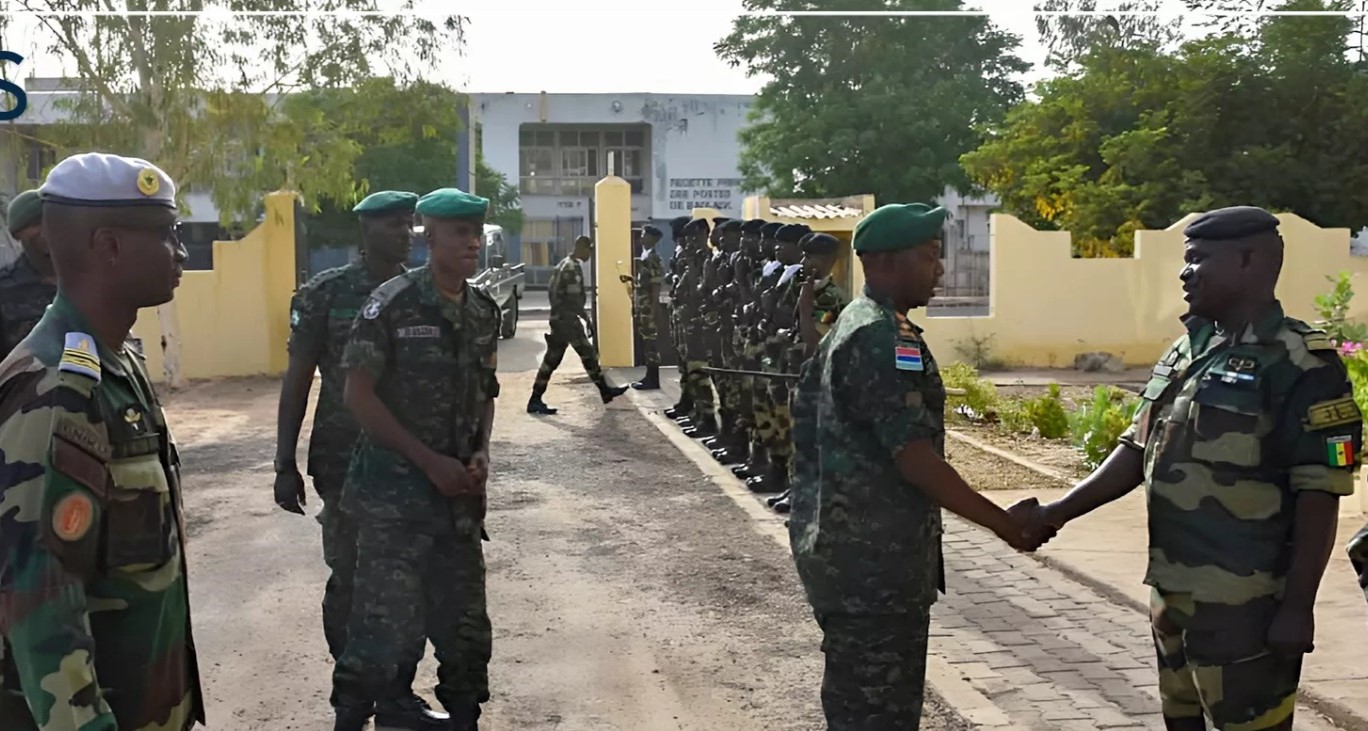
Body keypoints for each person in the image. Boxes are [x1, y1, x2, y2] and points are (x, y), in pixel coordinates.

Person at [1024, 206, 1361, 731]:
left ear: (1248, 260)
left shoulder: (1302, 362)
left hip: (1246, 610)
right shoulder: (1188, 348)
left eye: (1199, 260)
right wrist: (1054, 512)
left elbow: (1321, 492)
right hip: (1173, 595)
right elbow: (1135, 451)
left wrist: (1299, 606)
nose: (1185, 273)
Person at [787, 202, 1044, 730]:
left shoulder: (867, 324)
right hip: (872, 572)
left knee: (873, 710)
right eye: (929, 257)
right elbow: (914, 458)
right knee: (875, 715)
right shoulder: (878, 335)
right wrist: (1004, 523)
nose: (941, 269)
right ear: (884, 262)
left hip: (866, 563)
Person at [0, 152, 204, 730]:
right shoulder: (55, 388)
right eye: (167, 235)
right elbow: (40, 599)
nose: (181, 251)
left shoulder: (116, 362)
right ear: (109, 246)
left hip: (149, 705)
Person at [274, 190, 447, 730]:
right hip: (342, 459)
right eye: (394, 224)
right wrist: (284, 460)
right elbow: (298, 377)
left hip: (411, 460)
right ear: (365, 230)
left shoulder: (425, 293)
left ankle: (397, 694)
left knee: (410, 577)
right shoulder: (325, 294)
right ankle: (353, 695)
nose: (406, 233)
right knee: (351, 578)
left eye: (409, 225)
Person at [331, 187, 500, 731]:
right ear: (430, 236)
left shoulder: (482, 311)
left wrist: (480, 454)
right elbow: (357, 395)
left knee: (466, 632)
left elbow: (485, 393)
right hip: (393, 502)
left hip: (458, 506)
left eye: (476, 232)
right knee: (381, 634)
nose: (472, 242)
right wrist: (429, 462)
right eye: (460, 232)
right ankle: (352, 720)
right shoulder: (392, 302)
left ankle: (464, 719)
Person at [769, 232, 852, 514]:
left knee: (810, 441)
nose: (804, 262)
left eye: (811, 257)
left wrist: (805, 308)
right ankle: (796, 488)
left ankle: (808, 499)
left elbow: (815, 339)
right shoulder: (804, 286)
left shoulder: (831, 298)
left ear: (828, 260)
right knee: (797, 435)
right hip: (797, 373)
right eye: (803, 256)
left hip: (817, 379)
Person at [528, 235, 628, 414]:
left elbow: (552, 291)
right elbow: (573, 299)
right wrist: (586, 318)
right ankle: (535, 399)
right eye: (589, 250)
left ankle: (604, 391)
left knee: (560, 359)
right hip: (567, 321)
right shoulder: (572, 268)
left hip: (561, 319)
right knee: (581, 355)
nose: (590, 254)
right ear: (582, 248)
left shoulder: (562, 264)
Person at [0, 189, 57, 359]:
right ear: (17, 233)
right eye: (34, 224)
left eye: (51, 221)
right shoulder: (5, 289)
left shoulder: (89, 281)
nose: (45, 230)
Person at [621, 224, 665, 390]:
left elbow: (655, 286)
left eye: (645, 235)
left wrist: (654, 309)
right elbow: (645, 282)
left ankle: (653, 378)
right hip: (643, 304)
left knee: (650, 342)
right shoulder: (645, 255)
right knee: (646, 342)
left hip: (648, 307)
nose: (641, 238)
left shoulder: (653, 257)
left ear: (653, 239)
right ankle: (649, 375)